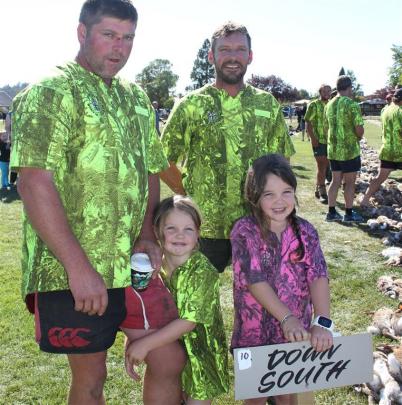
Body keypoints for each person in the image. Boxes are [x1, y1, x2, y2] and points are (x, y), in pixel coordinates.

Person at [10, 1, 185, 404]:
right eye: (109, 35)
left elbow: (149, 170)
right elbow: (34, 183)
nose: (119, 48)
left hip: (133, 264)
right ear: (82, 33)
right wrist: (79, 268)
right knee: (92, 378)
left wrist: (146, 236)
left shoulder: (137, 98)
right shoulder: (51, 92)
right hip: (72, 271)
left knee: (168, 357)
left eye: (128, 38)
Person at [160, 21, 295, 273]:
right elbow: (161, 158)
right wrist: (184, 191)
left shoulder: (266, 103)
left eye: (240, 50)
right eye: (225, 50)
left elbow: (282, 161)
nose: (233, 57)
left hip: (257, 223)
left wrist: (275, 207)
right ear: (211, 56)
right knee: (194, 303)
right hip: (201, 226)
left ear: (250, 56)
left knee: (258, 302)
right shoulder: (191, 104)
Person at [230, 154, 333, 405]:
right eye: (269, 194)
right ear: (254, 197)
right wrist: (287, 318)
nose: (279, 201)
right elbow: (254, 279)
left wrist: (322, 322)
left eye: (286, 192)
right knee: (255, 398)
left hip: (294, 338)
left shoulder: (306, 231)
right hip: (252, 334)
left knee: (289, 397)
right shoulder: (244, 231)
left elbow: (318, 276)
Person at [125, 195, 229, 404]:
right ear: (157, 231)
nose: (180, 235)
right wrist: (133, 342)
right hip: (169, 346)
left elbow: (188, 322)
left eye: (188, 229)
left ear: (198, 233)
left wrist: (144, 344)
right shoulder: (154, 267)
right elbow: (144, 307)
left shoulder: (202, 271)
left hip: (200, 354)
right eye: (171, 228)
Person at [324, 75, 364, 222]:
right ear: (350, 87)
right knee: (349, 182)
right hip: (348, 150)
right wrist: (357, 138)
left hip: (333, 150)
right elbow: (359, 129)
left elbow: (325, 127)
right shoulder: (352, 104)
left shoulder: (329, 104)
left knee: (335, 181)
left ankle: (331, 212)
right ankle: (348, 213)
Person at [360, 88, 402, 207]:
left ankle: (365, 200)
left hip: (387, 149)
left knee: (380, 178)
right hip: (399, 150)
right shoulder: (400, 111)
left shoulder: (386, 110)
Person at [304, 84, 332, 203]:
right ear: (320, 92)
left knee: (326, 165)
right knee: (321, 165)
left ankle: (317, 187)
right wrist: (313, 139)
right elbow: (308, 123)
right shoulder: (313, 105)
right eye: (324, 91)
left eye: (329, 91)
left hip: (330, 141)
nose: (327, 93)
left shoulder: (332, 104)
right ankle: (322, 192)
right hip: (318, 140)